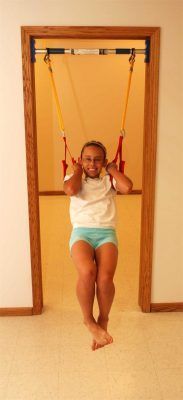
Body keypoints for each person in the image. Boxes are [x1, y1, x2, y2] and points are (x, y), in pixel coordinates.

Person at [63, 140, 133, 350]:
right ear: (81, 160)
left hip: (106, 234)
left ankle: (103, 319)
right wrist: (76, 170)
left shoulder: (109, 181)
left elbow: (128, 187)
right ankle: (88, 320)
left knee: (104, 278)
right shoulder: (72, 178)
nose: (92, 164)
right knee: (87, 272)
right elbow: (70, 190)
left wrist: (113, 169)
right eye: (87, 159)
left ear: (103, 162)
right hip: (82, 233)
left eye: (97, 160)